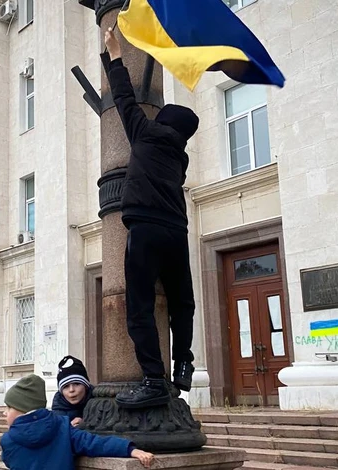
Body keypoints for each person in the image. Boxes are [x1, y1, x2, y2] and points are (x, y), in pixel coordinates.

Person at [102, 27, 199, 409]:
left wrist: (113, 53)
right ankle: (184, 363)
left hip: (144, 229)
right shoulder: (181, 156)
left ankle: (152, 379)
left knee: (140, 305)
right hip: (176, 231)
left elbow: (123, 97)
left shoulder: (144, 133)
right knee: (182, 302)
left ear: (162, 122)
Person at [0, 374, 154, 470]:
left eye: (9, 407)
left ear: (21, 410)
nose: (4, 412)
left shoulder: (8, 440)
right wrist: (130, 449)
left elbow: (9, 461)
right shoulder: (62, 427)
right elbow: (94, 443)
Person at [51, 355, 93, 427]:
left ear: (86, 386)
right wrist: (68, 429)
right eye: (66, 386)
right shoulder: (57, 411)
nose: (71, 390)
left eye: (76, 384)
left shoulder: (98, 401)